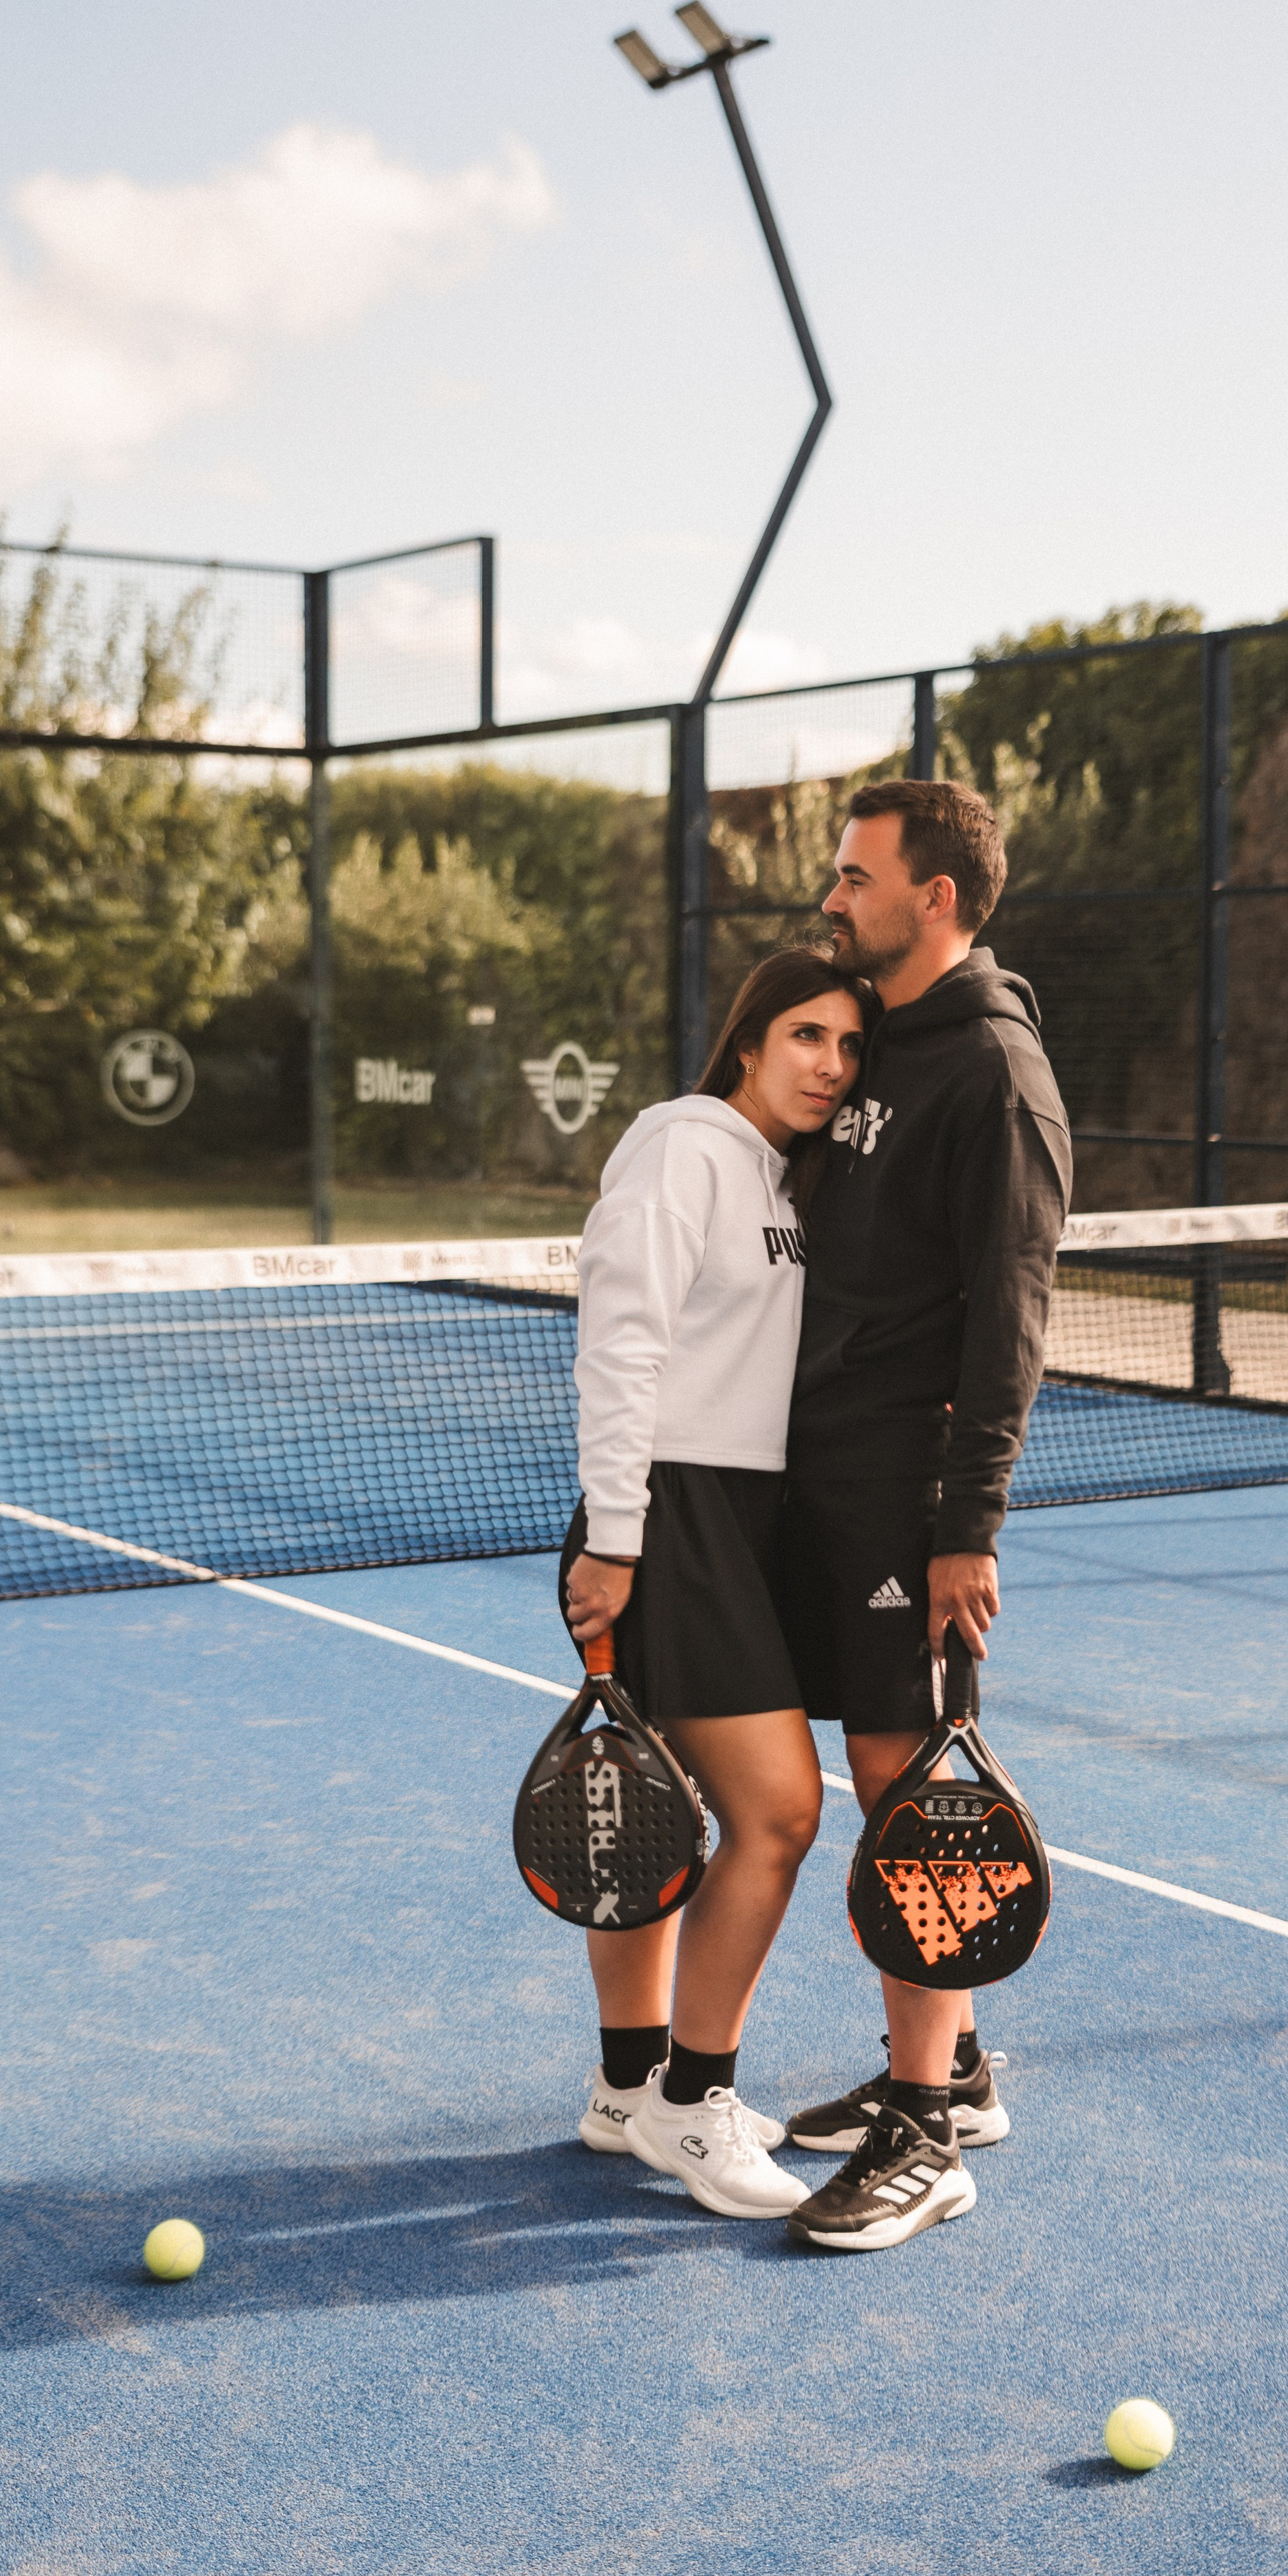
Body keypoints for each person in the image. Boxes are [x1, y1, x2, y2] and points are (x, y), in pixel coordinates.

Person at [778, 778, 1071, 2252]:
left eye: (855, 877)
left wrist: (969, 1525)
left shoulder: (997, 1080)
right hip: (831, 1471)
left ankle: (927, 2130)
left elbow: (1008, 1320)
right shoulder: (882, 1035)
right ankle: (946, 2060)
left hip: (913, 1493)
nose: (834, 898)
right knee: (876, 1767)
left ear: (934, 897)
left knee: (912, 1789)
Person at [560, 945, 868, 2220]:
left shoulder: (785, 1178)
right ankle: (695, 2100)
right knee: (780, 1812)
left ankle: (630, 2088)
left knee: (656, 1816)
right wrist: (618, 1538)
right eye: (806, 1035)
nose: (829, 1064)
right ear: (748, 1038)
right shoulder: (682, 1143)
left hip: (742, 1517)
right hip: (669, 1515)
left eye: (849, 1048)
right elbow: (621, 1340)